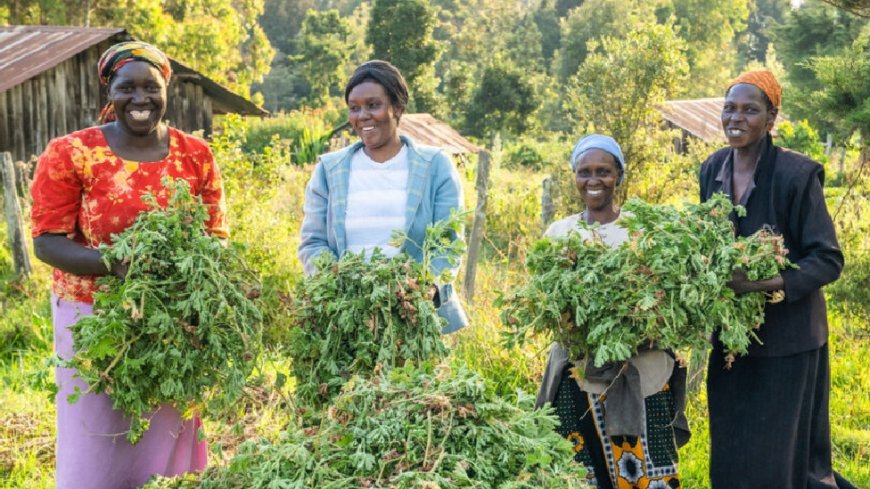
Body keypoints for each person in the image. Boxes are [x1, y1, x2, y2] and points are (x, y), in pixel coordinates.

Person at [30, 41, 226, 489]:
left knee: (167, 429)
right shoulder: (72, 153)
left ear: (166, 91)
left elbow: (215, 237)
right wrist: (114, 264)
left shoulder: (195, 155)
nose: (140, 99)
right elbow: (46, 242)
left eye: (151, 87)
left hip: (173, 319)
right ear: (109, 91)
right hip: (92, 320)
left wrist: (200, 296)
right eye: (127, 87)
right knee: (97, 434)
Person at [700, 70, 851, 488]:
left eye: (751, 109)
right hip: (732, 341)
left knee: (779, 459)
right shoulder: (712, 168)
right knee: (730, 450)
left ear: (772, 118)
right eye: (730, 107)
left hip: (789, 341)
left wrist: (759, 284)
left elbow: (827, 259)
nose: (737, 117)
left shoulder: (796, 175)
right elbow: (709, 242)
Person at [536, 134, 689, 489]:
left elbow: (667, 299)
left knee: (645, 472)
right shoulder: (560, 233)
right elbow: (546, 303)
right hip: (578, 374)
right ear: (574, 176)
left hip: (642, 375)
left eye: (603, 171)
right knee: (579, 472)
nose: (593, 180)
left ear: (618, 175)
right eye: (584, 171)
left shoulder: (643, 231)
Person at [298, 60, 467, 333]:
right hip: (345, 319)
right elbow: (313, 243)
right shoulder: (330, 171)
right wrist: (338, 287)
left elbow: (449, 244)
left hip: (413, 318)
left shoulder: (435, 166)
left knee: (413, 376)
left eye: (373, 105)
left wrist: (423, 288)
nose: (362, 115)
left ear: (397, 107)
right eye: (354, 108)